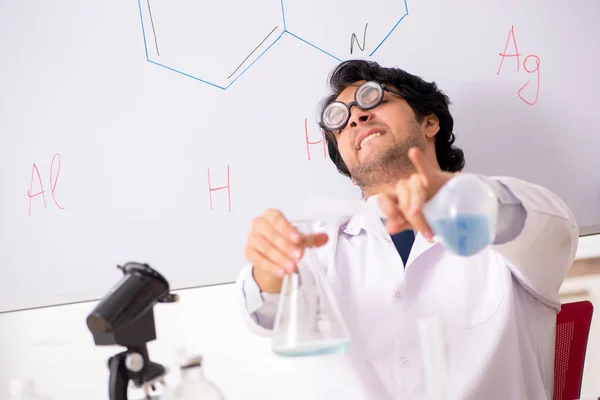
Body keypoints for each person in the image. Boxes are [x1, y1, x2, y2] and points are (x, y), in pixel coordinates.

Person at [235, 60, 579, 400]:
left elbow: (549, 228)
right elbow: (262, 315)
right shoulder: (320, 249)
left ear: (429, 122)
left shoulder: (509, 225)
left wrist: (455, 196)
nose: (356, 117)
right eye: (341, 121)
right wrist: (271, 262)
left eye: (374, 99)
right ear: (351, 172)